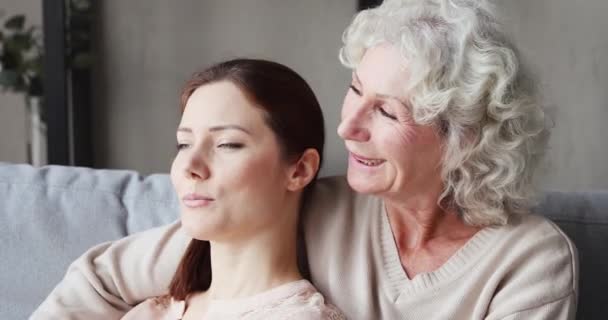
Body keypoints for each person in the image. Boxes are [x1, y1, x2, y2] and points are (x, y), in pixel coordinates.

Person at [32, 0, 578, 319]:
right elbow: (102, 280)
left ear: (462, 137)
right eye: (354, 90)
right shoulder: (308, 204)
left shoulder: (531, 261)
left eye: (386, 112)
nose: (347, 127)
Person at [117, 59, 343, 319]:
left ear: (300, 170)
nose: (190, 166)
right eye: (184, 144)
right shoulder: (151, 312)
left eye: (227, 144)